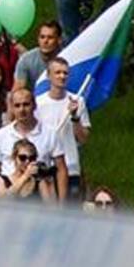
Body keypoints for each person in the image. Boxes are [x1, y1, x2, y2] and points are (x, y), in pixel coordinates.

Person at [0, 88, 68, 202]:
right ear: (11, 108)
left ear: (34, 105)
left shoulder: (50, 134)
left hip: (39, 194)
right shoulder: (1, 135)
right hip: (7, 192)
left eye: (26, 104)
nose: (22, 110)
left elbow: (61, 169)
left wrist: (62, 204)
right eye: (17, 106)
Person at [33, 55, 91, 198]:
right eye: (57, 72)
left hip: (70, 166)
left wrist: (75, 117)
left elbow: (83, 138)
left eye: (65, 73)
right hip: (44, 167)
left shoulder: (78, 101)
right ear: (48, 75)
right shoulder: (38, 103)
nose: (62, 76)